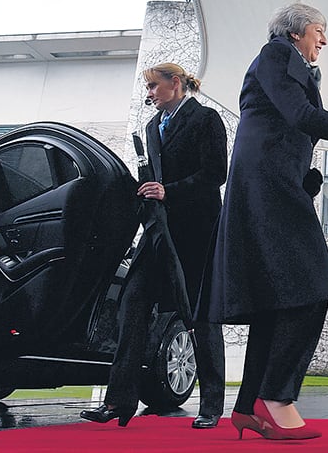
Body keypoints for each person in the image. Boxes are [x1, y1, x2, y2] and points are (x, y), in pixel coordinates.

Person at [198, 3, 328, 441]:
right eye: (319, 30)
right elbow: (302, 116)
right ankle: (276, 396)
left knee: (277, 299)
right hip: (267, 189)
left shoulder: (289, 65)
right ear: (296, 32)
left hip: (275, 186)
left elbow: (291, 126)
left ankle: (248, 406)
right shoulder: (277, 55)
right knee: (314, 286)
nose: (324, 40)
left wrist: (306, 177)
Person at [80, 63, 228, 428]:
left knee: (199, 316)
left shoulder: (206, 119)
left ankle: (211, 405)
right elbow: (155, 179)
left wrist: (169, 191)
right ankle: (118, 402)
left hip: (197, 232)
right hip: (158, 230)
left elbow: (216, 174)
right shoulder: (150, 128)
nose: (149, 93)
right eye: (147, 87)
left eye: (152, 86)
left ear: (174, 84)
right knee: (132, 304)